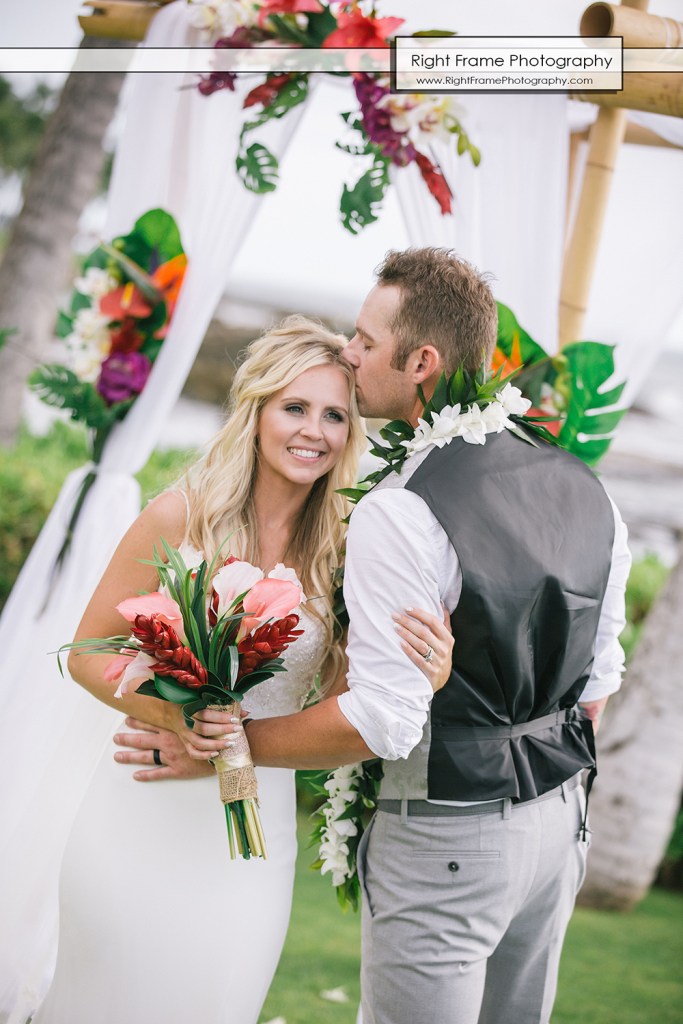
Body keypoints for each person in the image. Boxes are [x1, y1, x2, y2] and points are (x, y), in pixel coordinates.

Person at [134, 248, 630, 1024]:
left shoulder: (400, 509)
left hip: (450, 837)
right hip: (558, 826)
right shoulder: (579, 480)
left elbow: (382, 721)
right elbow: (597, 687)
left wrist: (225, 749)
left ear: (421, 361)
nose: (351, 353)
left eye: (365, 341)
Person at [32, 315, 454, 1024]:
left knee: (220, 996)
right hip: (139, 804)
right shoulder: (181, 516)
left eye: (334, 416)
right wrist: (183, 720)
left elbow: (352, 699)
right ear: (256, 410)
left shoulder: (348, 548)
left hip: (252, 835)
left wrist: (426, 678)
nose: (312, 431)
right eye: (294, 407)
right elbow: (86, 653)